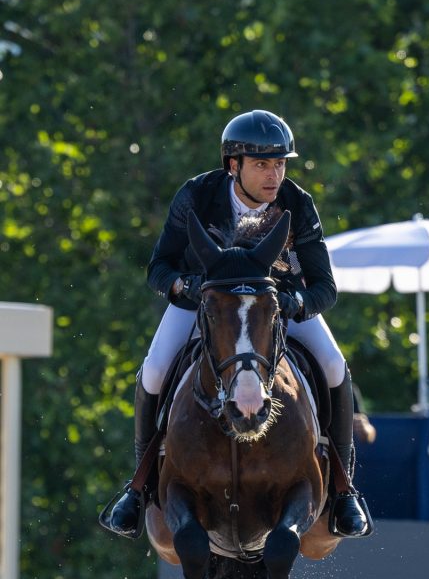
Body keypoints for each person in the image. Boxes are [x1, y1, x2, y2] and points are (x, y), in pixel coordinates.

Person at [107, 109, 370, 540]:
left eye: (280, 164)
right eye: (262, 165)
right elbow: (159, 268)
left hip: (272, 310)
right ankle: (138, 489)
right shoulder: (197, 195)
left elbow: (325, 287)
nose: (274, 176)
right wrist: (184, 288)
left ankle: (343, 492)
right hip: (205, 305)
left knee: (334, 366)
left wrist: (292, 302)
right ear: (234, 165)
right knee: (154, 371)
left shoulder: (298, 204)